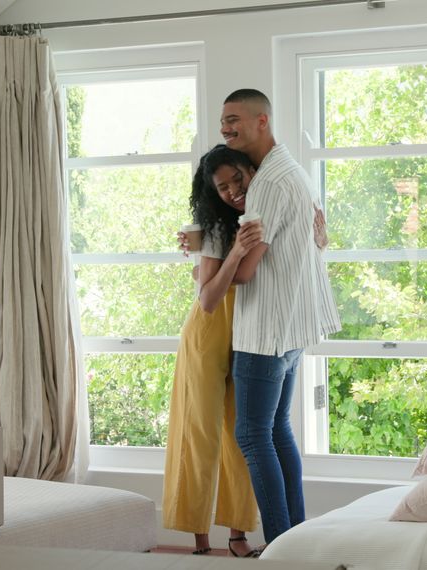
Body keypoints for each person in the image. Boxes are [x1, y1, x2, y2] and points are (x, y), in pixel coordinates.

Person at [219, 88, 342, 548]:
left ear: (261, 120)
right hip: (291, 328)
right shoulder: (294, 171)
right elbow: (313, 237)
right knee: (275, 430)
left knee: (252, 435)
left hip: (265, 329)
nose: (226, 128)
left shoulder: (268, 183)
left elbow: (247, 271)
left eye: (234, 119)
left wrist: (217, 261)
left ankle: (280, 548)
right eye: (222, 122)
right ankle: (297, 543)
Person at [162, 145, 265, 558]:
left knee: (242, 438)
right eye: (221, 186)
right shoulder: (218, 229)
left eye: (237, 179)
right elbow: (208, 299)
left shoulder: (263, 215)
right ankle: (200, 542)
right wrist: (234, 251)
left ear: (251, 171)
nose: (232, 191)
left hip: (247, 333)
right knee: (197, 434)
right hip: (207, 334)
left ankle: (238, 536)